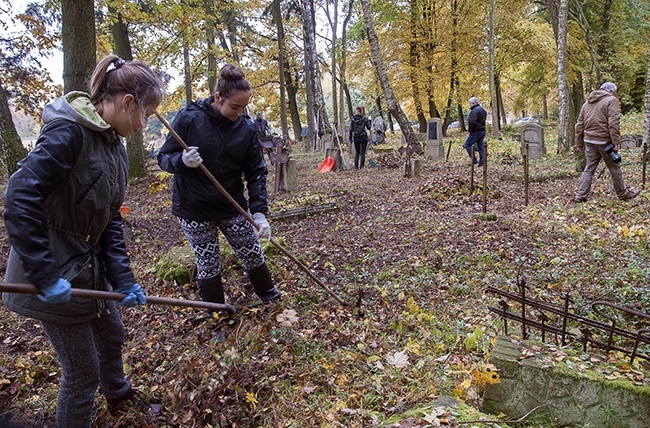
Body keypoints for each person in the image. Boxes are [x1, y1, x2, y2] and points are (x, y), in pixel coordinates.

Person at [2, 55, 163, 427]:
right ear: (126, 103)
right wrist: (44, 275)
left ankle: (119, 395)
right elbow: (19, 195)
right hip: (51, 269)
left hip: (86, 269)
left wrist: (122, 279)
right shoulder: (68, 133)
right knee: (82, 370)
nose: (143, 124)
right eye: (145, 113)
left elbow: (108, 221)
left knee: (112, 333)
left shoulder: (114, 148)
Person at [157, 64, 280, 308]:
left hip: (231, 205)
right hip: (194, 208)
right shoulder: (190, 119)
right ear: (217, 97)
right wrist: (182, 161)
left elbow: (256, 173)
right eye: (234, 106)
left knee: (252, 252)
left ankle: (271, 301)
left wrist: (259, 213)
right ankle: (216, 315)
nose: (239, 112)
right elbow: (163, 158)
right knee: (208, 263)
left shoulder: (245, 129)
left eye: (244, 107)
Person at [574, 82, 640, 202]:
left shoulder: (587, 103)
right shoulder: (611, 100)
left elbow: (579, 124)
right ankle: (623, 194)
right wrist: (616, 141)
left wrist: (579, 142)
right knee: (614, 168)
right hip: (604, 141)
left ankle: (580, 196)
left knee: (589, 168)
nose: (615, 94)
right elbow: (613, 122)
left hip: (589, 140)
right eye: (614, 92)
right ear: (610, 91)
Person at [462, 97, 487, 166]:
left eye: (470, 103)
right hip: (482, 130)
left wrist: (470, 130)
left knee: (467, 145)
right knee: (480, 147)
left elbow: (472, 122)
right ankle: (482, 163)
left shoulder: (474, 111)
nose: (469, 105)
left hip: (476, 131)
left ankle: (474, 160)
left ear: (473, 103)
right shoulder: (483, 110)